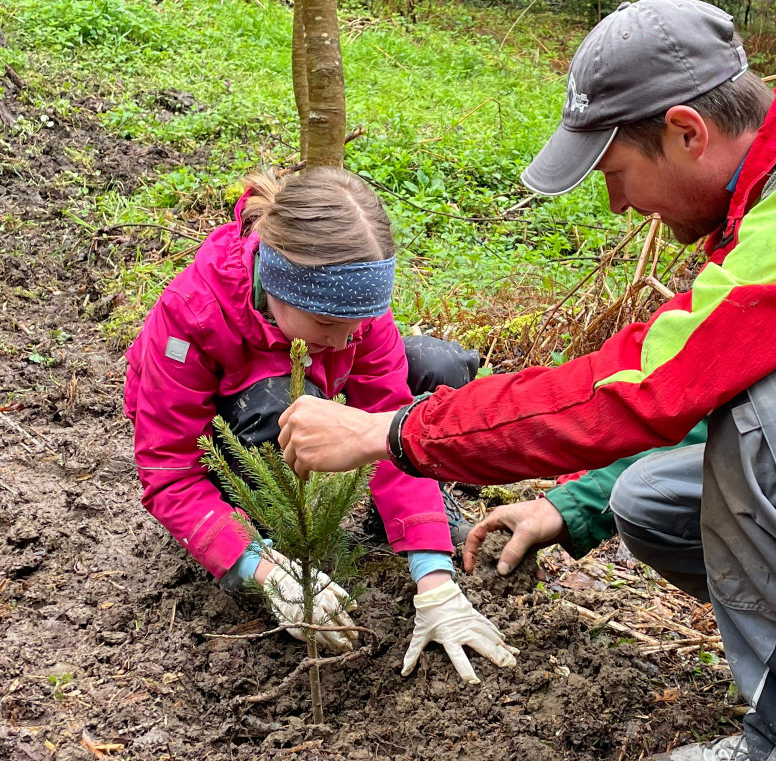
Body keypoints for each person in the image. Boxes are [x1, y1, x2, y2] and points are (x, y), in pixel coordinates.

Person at [277, 0, 776, 760]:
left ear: (687, 133)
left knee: (775, 411)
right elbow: (726, 384)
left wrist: (390, 431)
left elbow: (651, 385)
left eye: (617, 172)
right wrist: (575, 505)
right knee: (652, 501)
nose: (616, 201)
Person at [123, 166, 516, 684]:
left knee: (438, 367)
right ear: (279, 289)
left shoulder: (349, 310)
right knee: (276, 408)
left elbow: (389, 428)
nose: (351, 338)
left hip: (313, 387)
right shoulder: (193, 317)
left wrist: (434, 579)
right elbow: (170, 473)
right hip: (228, 440)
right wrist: (261, 569)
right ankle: (266, 526)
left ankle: (403, 521)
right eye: (331, 325)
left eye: (363, 321)